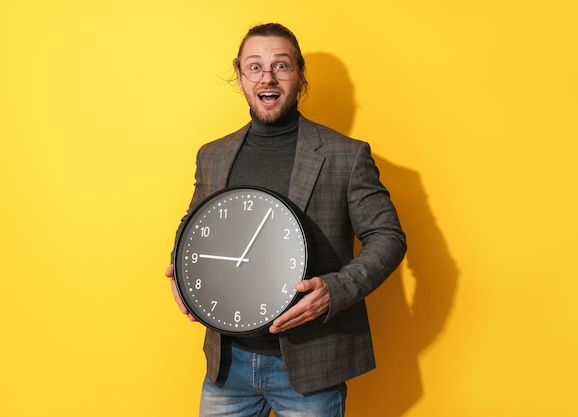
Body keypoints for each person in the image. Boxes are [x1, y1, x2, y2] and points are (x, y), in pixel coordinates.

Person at [165, 22, 406, 417]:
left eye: (281, 65)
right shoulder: (213, 154)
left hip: (311, 370)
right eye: (255, 66)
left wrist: (335, 289)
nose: (268, 76)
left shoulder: (345, 155)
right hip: (228, 365)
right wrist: (181, 270)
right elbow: (193, 225)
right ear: (240, 76)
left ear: (299, 75)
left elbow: (388, 237)